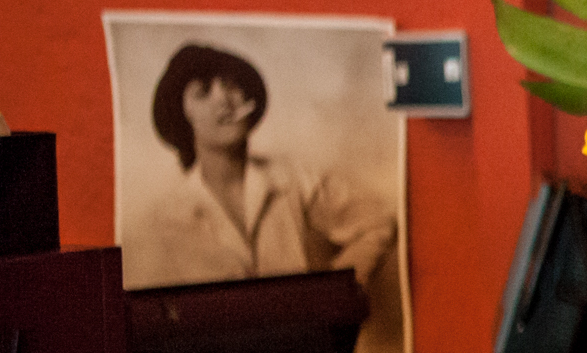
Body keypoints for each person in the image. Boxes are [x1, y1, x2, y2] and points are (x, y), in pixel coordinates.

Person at [130, 42, 397, 292]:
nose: (223, 99)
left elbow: (377, 222)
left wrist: (332, 294)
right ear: (181, 115)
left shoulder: (293, 179)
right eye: (203, 93)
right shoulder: (162, 220)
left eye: (232, 86)